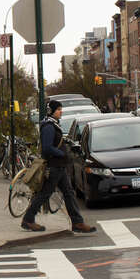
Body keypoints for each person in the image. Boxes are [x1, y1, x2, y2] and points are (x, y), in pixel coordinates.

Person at [21, 100, 97, 234]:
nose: (61, 111)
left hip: (59, 167)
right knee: (45, 194)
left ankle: (77, 223)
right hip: (54, 166)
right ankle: (28, 219)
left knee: (69, 193)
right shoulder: (49, 127)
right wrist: (61, 153)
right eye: (58, 109)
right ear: (51, 111)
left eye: (61, 109)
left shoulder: (54, 125)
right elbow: (47, 148)